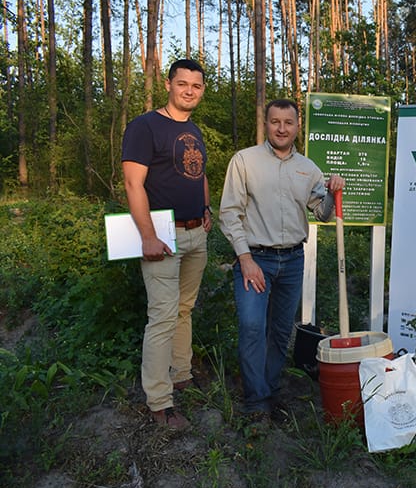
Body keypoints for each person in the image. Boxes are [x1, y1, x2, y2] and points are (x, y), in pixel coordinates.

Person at [219, 98, 345, 420]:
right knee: (251, 327)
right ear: (266, 123)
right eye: (275, 121)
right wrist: (244, 259)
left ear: (297, 126)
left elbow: (324, 214)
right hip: (255, 258)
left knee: (279, 331)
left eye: (288, 123)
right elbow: (229, 213)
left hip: (292, 261)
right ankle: (256, 401)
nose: (281, 128)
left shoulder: (308, 168)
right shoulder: (244, 161)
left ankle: (271, 390)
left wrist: (333, 191)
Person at [122, 59, 211, 430]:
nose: (189, 90)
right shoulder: (145, 127)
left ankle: (181, 373)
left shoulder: (193, 129)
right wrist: (146, 236)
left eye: (196, 85)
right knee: (161, 316)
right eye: (182, 83)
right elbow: (133, 184)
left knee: (184, 309)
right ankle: (159, 401)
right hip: (162, 234)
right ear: (168, 84)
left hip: (195, 234)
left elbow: (199, 172)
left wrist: (206, 207)